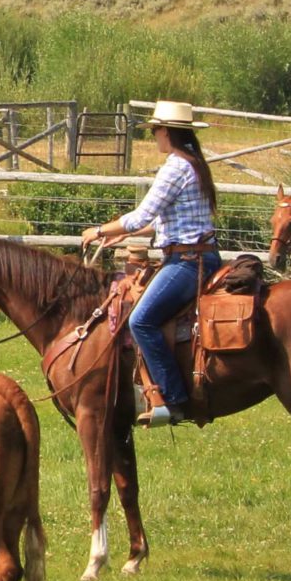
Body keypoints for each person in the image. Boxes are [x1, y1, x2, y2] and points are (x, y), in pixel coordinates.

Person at [80, 100, 221, 428]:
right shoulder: (193, 163)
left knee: (140, 320)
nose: (154, 136)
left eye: (155, 130)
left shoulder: (175, 166)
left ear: (166, 131)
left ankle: (172, 398)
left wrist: (99, 230)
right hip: (198, 254)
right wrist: (124, 234)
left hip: (187, 261)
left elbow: (141, 215)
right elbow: (161, 222)